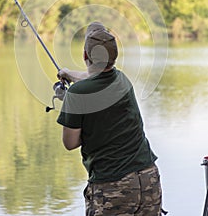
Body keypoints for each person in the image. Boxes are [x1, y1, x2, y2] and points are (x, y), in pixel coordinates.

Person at [57, 21, 163, 216]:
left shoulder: (77, 94)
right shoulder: (122, 80)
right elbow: (92, 78)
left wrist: (86, 122)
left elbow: (70, 142)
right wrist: (67, 73)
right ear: (113, 57)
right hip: (148, 178)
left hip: (112, 186)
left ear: (85, 55)